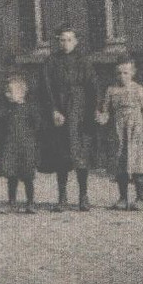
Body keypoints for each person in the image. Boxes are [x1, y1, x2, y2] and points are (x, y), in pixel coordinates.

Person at [38, 28, 98, 212]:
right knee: (61, 155)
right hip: (60, 111)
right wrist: (54, 110)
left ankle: (83, 196)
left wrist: (91, 112)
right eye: (62, 40)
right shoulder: (51, 61)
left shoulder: (84, 61)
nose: (66, 43)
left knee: (80, 155)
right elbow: (45, 88)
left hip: (79, 112)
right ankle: (62, 197)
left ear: (76, 41)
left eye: (69, 39)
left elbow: (93, 88)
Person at [97, 57, 143, 211]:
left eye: (126, 73)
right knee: (120, 164)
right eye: (119, 73)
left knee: (138, 165)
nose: (122, 76)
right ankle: (123, 198)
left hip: (137, 132)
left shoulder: (139, 90)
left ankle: (140, 198)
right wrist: (101, 118)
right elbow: (106, 112)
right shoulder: (111, 91)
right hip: (118, 132)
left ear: (133, 73)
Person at [0, 72, 41, 214]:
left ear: (21, 93)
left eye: (10, 92)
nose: (7, 94)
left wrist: (32, 138)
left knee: (27, 177)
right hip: (10, 148)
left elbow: (37, 123)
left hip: (26, 148)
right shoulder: (7, 109)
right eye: (6, 92)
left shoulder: (29, 109)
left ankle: (30, 202)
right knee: (11, 176)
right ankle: (11, 202)